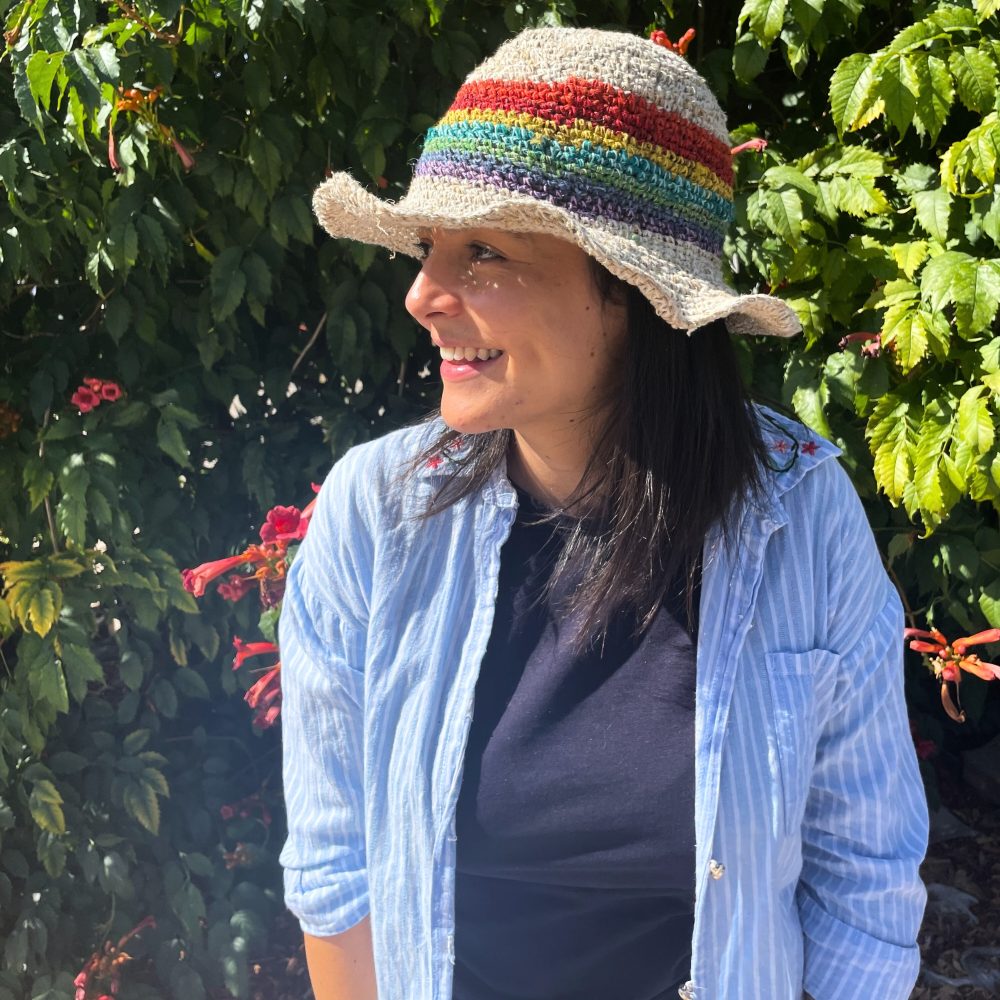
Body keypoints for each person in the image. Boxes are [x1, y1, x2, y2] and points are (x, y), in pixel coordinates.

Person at [278, 25, 928, 1000]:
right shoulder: (376, 519)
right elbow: (337, 873)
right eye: (429, 249)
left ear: (632, 293)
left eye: (483, 252)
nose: (422, 294)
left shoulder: (799, 519)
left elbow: (863, 886)